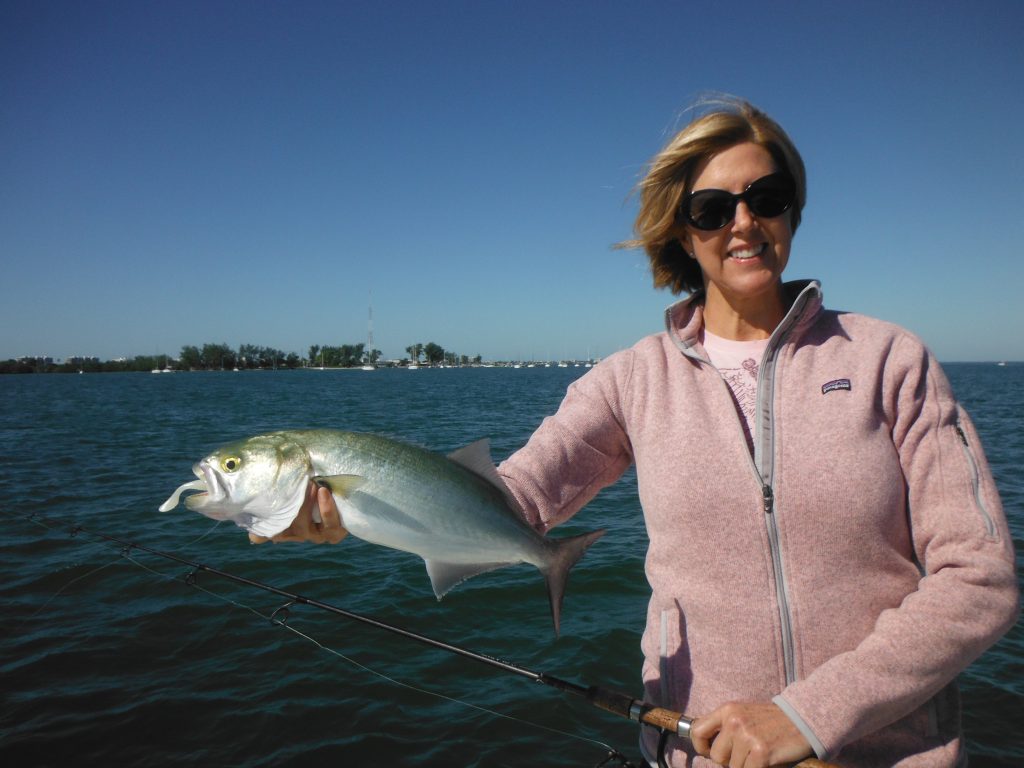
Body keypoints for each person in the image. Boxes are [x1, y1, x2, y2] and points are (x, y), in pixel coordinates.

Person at [268, 99, 1019, 768]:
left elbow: (978, 579)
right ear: (681, 235)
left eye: (767, 197)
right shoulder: (632, 381)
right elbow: (518, 499)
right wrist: (358, 513)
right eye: (712, 209)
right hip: (697, 751)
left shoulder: (891, 359)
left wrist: (808, 718)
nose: (744, 223)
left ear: (794, 211)